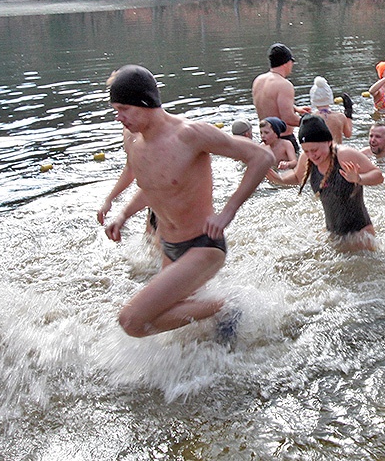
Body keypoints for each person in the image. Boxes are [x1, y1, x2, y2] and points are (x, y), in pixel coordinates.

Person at [102, 65, 275, 339]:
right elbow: (152, 186)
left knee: (131, 321)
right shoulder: (133, 140)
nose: (118, 117)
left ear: (145, 103)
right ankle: (217, 329)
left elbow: (262, 158)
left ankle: (227, 304)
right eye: (115, 109)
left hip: (203, 246)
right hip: (170, 249)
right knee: (167, 327)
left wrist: (228, 211)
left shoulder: (189, 135)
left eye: (124, 108)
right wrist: (123, 215)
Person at [266, 115, 383, 249]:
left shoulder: (345, 155)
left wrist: (359, 179)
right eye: (306, 150)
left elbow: (378, 176)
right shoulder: (307, 158)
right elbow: (297, 177)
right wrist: (278, 179)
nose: (311, 155)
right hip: (333, 234)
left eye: (315, 150)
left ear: (328, 141)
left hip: (360, 235)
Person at [251, 43, 309, 155]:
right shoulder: (284, 85)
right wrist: (310, 122)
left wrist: (295, 109)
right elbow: (288, 118)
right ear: (287, 63)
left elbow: (269, 102)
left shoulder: (258, 80)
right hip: (284, 141)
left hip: (265, 140)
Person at [309, 75, 352, 143]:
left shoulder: (310, 118)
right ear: (330, 96)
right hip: (337, 151)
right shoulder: (340, 116)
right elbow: (348, 134)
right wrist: (348, 112)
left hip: (320, 152)